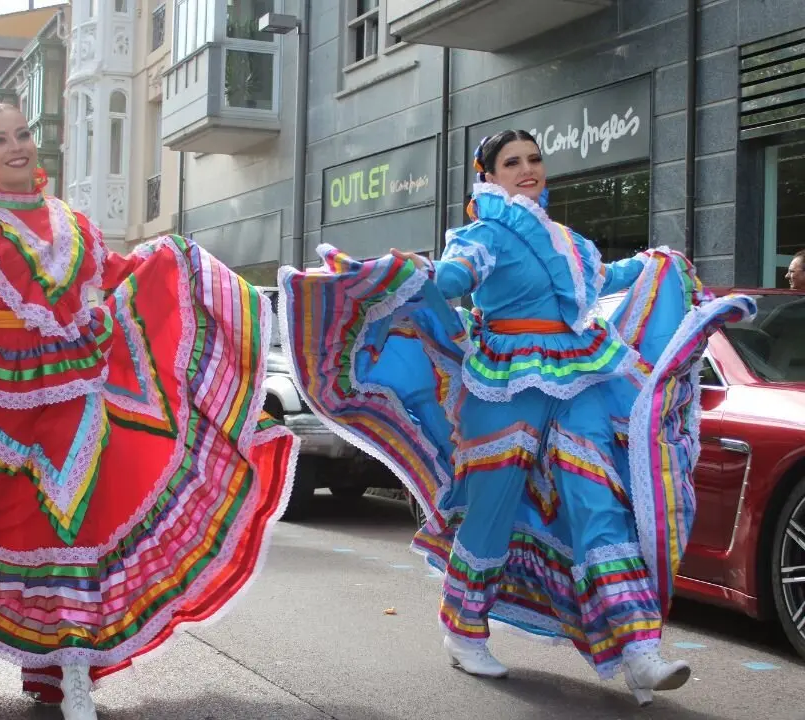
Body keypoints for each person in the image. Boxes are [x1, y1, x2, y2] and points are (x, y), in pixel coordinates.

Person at [0, 104, 297, 720]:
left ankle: (74, 669)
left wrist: (175, 265)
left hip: (78, 381)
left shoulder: (71, 220)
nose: (17, 146)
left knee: (73, 522)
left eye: (22, 134)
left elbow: (115, 274)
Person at [277, 130, 755, 706]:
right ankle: (463, 629)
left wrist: (658, 263)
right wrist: (415, 273)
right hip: (503, 383)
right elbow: (457, 275)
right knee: (492, 511)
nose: (527, 169)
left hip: (578, 374)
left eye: (534, 159)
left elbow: (603, 279)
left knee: (598, 499)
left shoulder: (566, 239)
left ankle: (638, 649)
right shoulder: (484, 233)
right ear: (488, 176)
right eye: (512, 162)